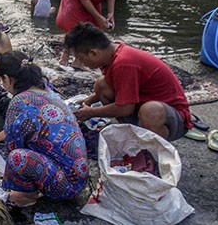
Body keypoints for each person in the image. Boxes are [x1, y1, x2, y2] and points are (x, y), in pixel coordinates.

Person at [63, 22, 192, 141]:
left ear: (93, 53)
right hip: (141, 106)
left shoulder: (123, 63)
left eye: (81, 58)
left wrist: (91, 113)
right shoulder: (112, 53)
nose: (83, 63)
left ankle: (152, 150)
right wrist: (90, 100)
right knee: (101, 85)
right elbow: (118, 86)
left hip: (172, 118)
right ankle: (132, 133)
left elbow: (125, 108)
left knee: (150, 110)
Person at [0, 52, 88, 207]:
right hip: (77, 176)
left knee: (16, 157)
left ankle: (27, 196)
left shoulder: (19, 102)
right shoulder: (48, 92)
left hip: (66, 187)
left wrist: (10, 181)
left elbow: (13, 146)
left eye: (1, 80)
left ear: (7, 78)